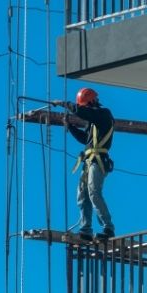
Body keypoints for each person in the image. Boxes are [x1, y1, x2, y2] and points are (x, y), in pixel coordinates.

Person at [53, 88, 115, 241]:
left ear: (92, 102)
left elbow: (82, 112)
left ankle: (108, 227)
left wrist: (63, 103)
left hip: (98, 159)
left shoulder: (103, 115)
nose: (85, 108)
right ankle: (85, 229)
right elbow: (85, 139)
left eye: (86, 105)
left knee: (94, 192)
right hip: (89, 160)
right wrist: (70, 127)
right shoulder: (94, 122)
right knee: (83, 195)